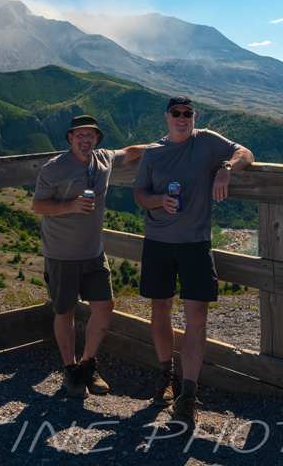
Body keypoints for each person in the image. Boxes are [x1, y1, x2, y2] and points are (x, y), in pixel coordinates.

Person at [133, 95, 254, 426]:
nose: (182, 118)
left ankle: (188, 393)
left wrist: (226, 168)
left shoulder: (207, 141)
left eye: (188, 113)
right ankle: (166, 375)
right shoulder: (153, 153)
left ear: (194, 116)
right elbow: (139, 194)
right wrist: (159, 200)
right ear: (167, 118)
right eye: (177, 113)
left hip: (196, 243)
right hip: (158, 242)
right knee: (160, 309)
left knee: (197, 315)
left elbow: (245, 152)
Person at [33, 114, 146, 398]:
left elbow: (131, 152)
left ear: (97, 139)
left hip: (94, 252)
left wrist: (165, 145)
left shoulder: (104, 159)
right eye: (79, 135)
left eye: (91, 135)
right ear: (70, 138)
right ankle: (70, 370)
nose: (85, 140)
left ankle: (88, 365)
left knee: (104, 306)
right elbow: (38, 206)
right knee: (65, 311)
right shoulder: (54, 169)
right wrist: (70, 205)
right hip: (61, 254)